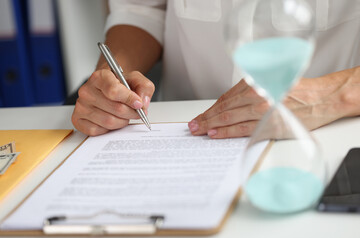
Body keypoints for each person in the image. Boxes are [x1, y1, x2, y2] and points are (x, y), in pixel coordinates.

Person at [71, 0, 360, 138]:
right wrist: (115, 77)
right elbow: (142, 9)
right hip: (183, 131)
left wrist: (335, 95)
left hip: (332, 128)